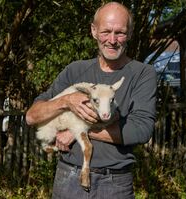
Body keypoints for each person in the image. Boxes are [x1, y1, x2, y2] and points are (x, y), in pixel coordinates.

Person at [26, 2, 156, 199]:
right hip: (68, 178)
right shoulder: (75, 70)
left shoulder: (142, 74)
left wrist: (76, 129)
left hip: (115, 184)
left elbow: (141, 130)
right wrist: (66, 101)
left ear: (129, 34)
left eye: (119, 32)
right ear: (94, 31)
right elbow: (31, 116)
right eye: (106, 31)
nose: (112, 40)